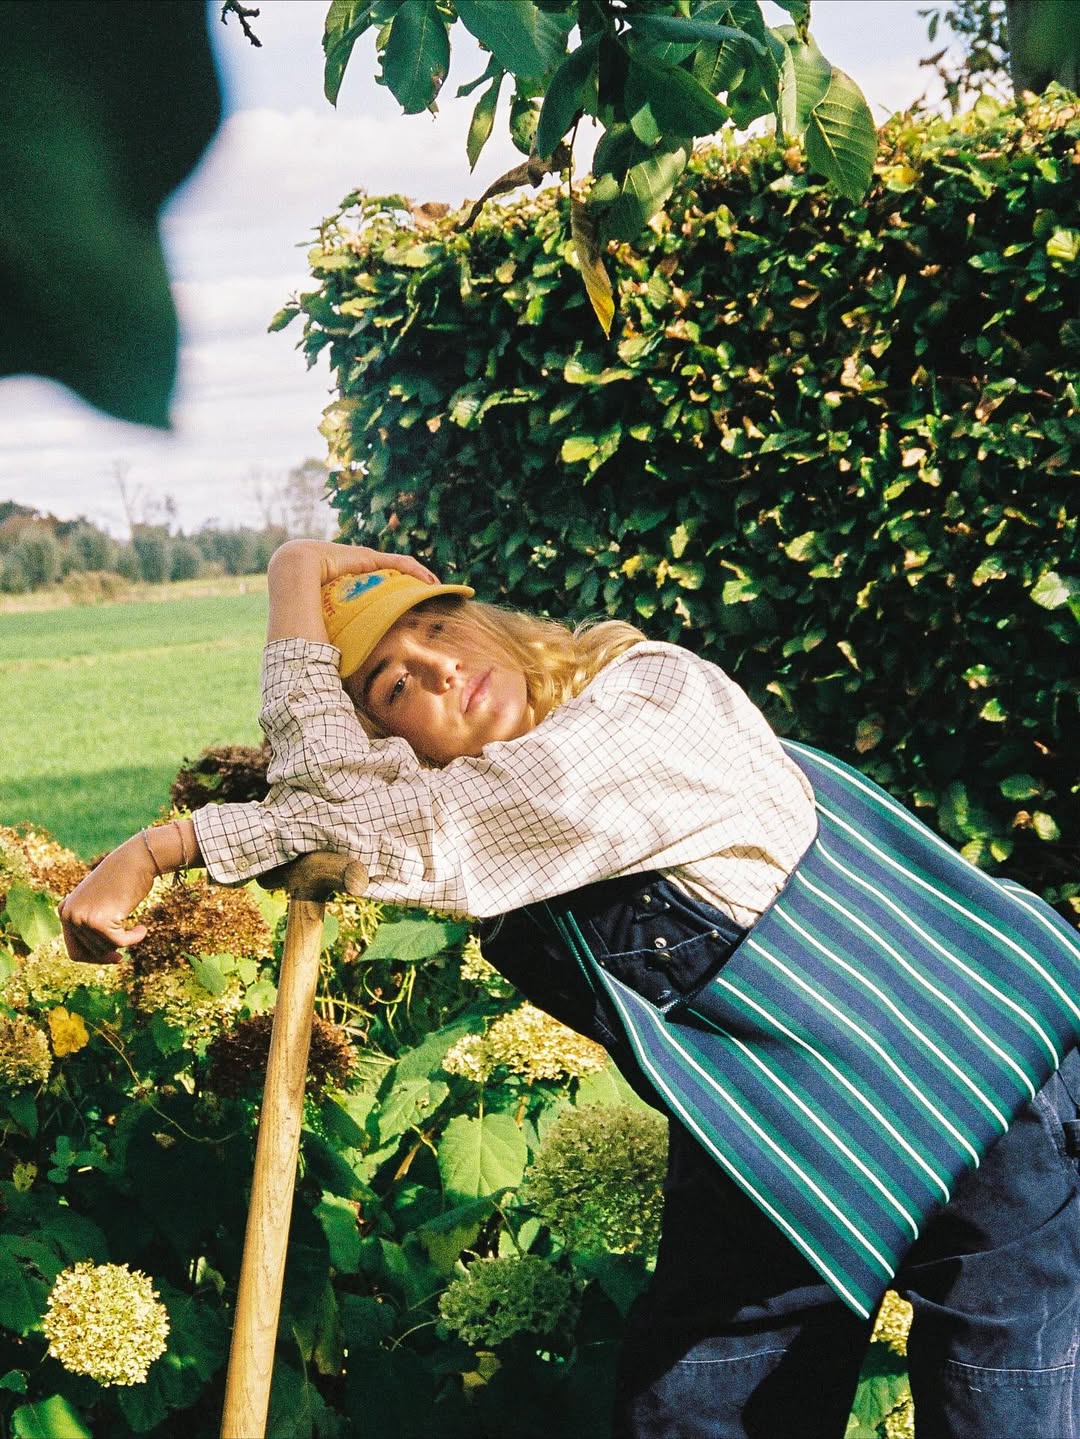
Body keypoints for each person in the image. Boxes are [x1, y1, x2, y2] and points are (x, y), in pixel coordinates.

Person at [60, 538, 1080, 1439]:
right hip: (788, 1128)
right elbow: (335, 804)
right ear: (386, 743)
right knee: (690, 1414)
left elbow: (372, 818)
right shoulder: (475, 803)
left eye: (439, 628)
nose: (440, 669)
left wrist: (166, 839)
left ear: (489, 624)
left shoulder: (648, 700)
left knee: (996, 1408)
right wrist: (292, 587)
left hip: (982, 1076)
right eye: (394, 686)